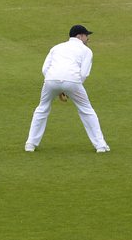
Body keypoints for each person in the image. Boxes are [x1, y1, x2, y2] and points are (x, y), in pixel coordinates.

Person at [24, 25, 110, 153]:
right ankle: (100, 146)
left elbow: (44, 69)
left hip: (50, 80)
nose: (88, 39)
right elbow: (84, 73)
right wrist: (69, 87)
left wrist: (57, 85)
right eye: (87, 36)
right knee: (87, 110)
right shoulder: (86, 51)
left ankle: (30, 144)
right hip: (73, 80)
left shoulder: (56, 47)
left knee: (42, 108)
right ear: (79, 36)